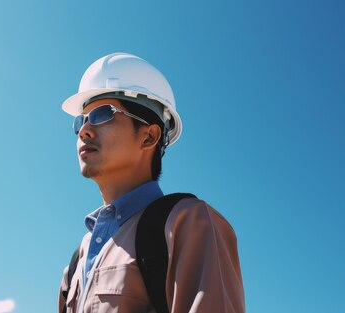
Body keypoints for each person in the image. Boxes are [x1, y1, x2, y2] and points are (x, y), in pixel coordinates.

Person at [58, 53, 245, 313]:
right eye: (82, 120)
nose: (84, 130)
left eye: (102, 114)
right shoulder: (78, 259)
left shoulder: (188, 222)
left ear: (149, 136)